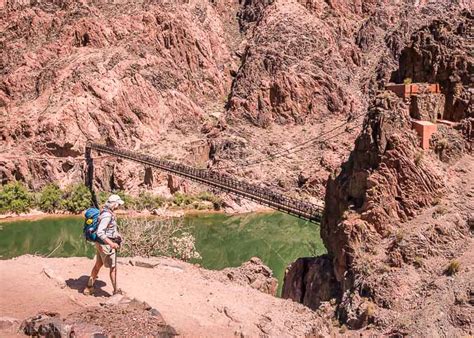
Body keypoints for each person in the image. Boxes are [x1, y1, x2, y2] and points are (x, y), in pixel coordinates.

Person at [84, 194, 124, 296]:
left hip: (101, 244)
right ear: (114, 204)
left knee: (98, 265)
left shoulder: (105, 211)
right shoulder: (107, 215)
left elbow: (109, 229)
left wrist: (117, 235)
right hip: (106, 245)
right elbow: (100, 232)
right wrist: (112, 244)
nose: (118, 206)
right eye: (118, 204)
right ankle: (116, 291)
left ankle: (89, 287)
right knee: (113, 268)